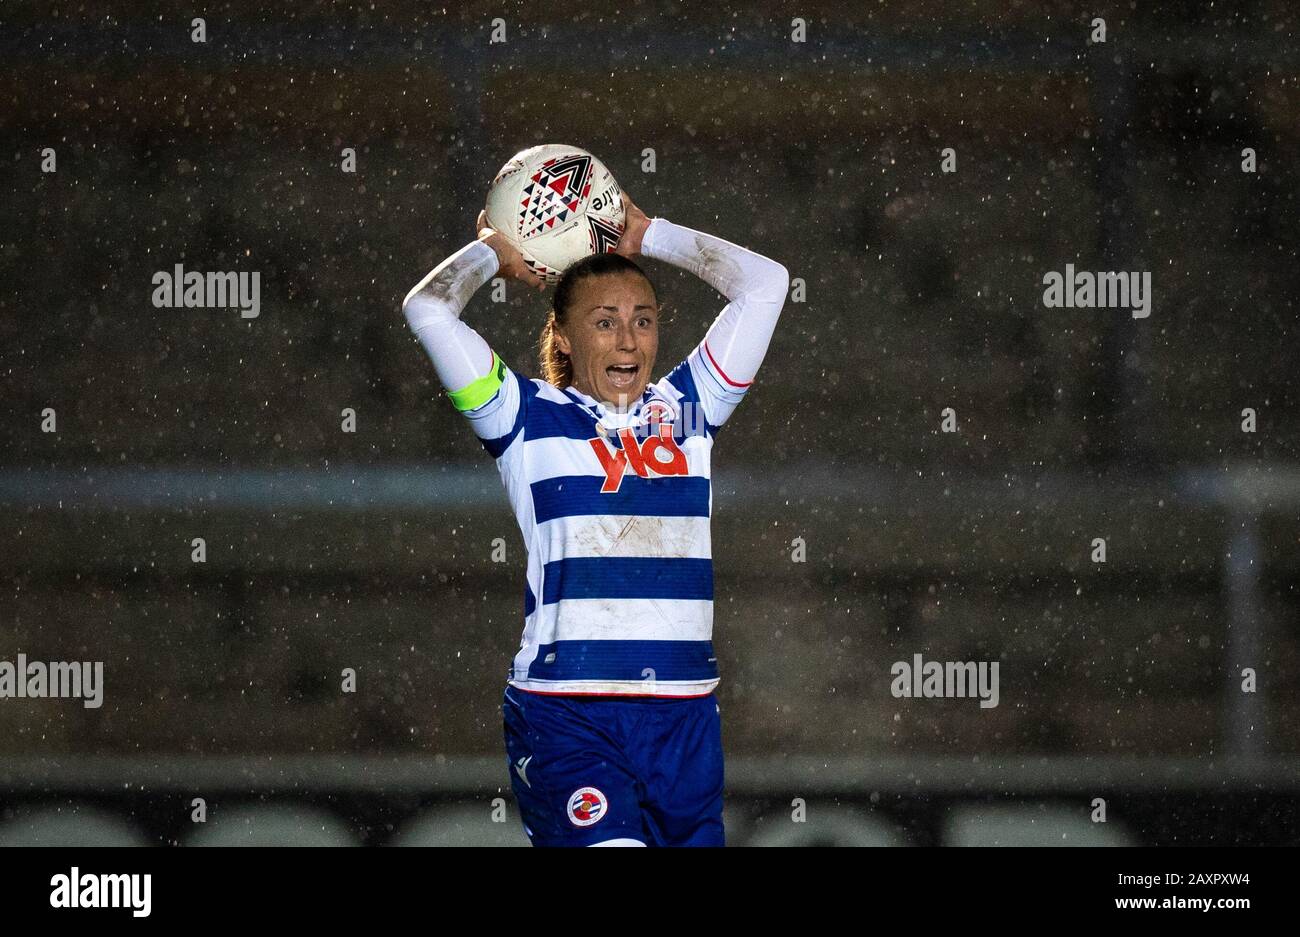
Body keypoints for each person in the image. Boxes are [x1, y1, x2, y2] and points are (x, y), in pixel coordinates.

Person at [401, 191, 788, 846]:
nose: (629, 337)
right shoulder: (520, 415)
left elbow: (766, 285)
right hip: (568, 712)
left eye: (642, 319)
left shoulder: (691, 408)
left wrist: (648, 235)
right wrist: (492, 254)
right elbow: (427, 308)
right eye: (605, 321)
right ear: (564, 335)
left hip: (685, 721)